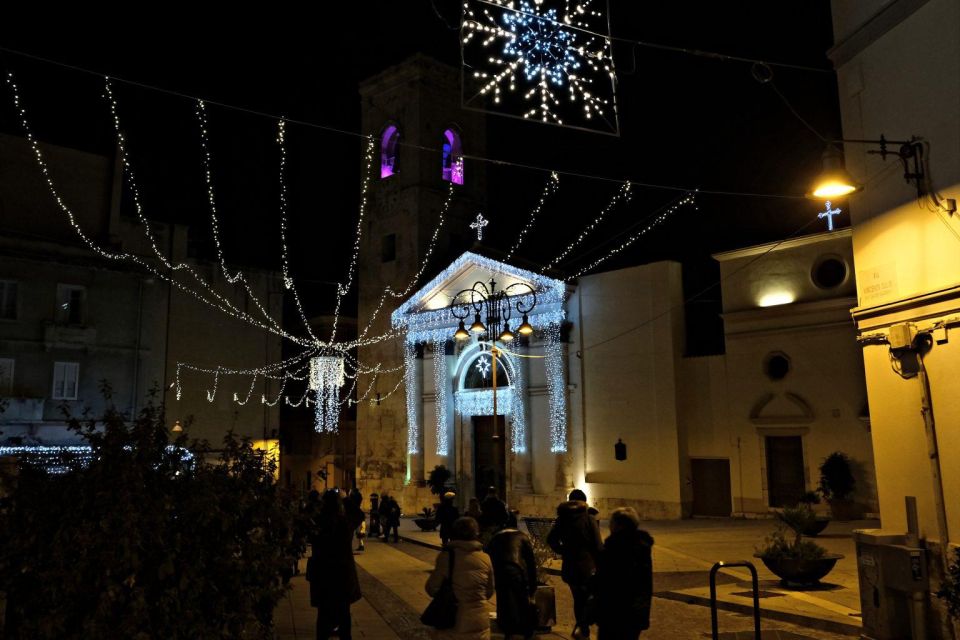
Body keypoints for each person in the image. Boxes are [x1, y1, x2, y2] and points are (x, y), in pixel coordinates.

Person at [425, 517, 495, 639]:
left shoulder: (446, 557)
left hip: (454, 619)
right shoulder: (485, 557)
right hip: (480, 619)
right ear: (476, 534)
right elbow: (489, 591)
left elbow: (432, 588)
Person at [546, 489, 603, 640]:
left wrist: (564, 550)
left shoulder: (562, 519)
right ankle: (582, 627)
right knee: (587, 598)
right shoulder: (588, 519)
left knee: (578, 598)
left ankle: (581, 628)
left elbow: (551, 539)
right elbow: (598, 546)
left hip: (570, 566)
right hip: (587, 567)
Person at [307, 489, 361, 640]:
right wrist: (346, 499)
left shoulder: (317, 523)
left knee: (323, 616)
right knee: (344, 614)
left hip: (322, 575)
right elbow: (359, 515)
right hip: (341, 575)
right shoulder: (344, 523)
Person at [592, 507, 653, 640]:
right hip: (635, 614)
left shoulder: (614, 548)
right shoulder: (642, 547)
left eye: (611, 522)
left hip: (613, 613)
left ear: (618, 525)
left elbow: (604, 584)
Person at [486, 526, 538, 640]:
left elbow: (487, 559)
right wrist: (532, 587)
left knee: (504, 600)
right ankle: (525, 630)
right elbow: (531, 563)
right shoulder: (522, 537)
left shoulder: (495, 539)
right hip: (517, 572)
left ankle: (507, 629)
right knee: (522, 600)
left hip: (500, 571)